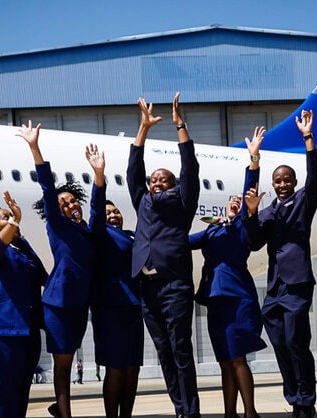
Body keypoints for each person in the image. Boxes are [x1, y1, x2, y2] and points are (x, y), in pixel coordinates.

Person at [243, 110, 317, 418]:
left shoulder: (304, 201)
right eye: (278, 181)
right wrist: (250, 211)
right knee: (279, 343)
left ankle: (306, 400)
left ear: (293, 182)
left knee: (296, 342)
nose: (283, 184)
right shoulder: (267, 212)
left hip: (298, 283)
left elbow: (315, 179)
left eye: (287, 179)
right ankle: (294, 398)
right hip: (275, 288)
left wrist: (307, 138)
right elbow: (253, 242)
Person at [128, 92, 201, 418]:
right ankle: (179, 410)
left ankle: (191, 412)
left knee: (180, 349)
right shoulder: (142, 201)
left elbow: (190, 168)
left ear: (173, 185)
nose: (157, 181)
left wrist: (179, 126)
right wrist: (143, 128)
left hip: (174, 286)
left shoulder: (183, 201)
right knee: (164, 352)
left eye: (164, 179)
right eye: (154, 179)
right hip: (148, 288)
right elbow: (134, 169)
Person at [18, 121, 96, 418]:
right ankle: (65, 414)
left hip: (79, 306)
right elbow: (48, 188)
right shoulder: (58, 226)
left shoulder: (87, 231)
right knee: (63, 364)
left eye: (73, 199)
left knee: (69, 360)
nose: (70, 204)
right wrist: (35, 147)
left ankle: (59, 406)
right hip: (58, 304)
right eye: (64, 203)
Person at [189, 127, 268, 418]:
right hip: (215, 300)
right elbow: (182, 242)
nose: (235, 202)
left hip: (238, 299)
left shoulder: (242, 226)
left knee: (237, 359)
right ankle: (230, 413)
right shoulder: (212, 230)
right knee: (225, 360)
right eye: (231, 201)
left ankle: (250, 412)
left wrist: (254, 159)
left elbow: (249, 195)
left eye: (239, 202)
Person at [87, 143, 143, 418]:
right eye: (109, 213)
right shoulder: (99, 234)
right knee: (116, 368)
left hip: (132, 310)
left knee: (133, 367)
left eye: (116, 212)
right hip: (110, 310)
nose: (114, 215)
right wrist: (100, 176)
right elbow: (97, 212)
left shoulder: (131, 235)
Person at [0, 190, 48, 418]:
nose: (10, 218)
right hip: (4, 328)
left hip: (28, 328)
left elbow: (42, 276)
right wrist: (15, 221)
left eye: (11, 215)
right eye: (4, 217)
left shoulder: (21, 248)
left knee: (22, 387)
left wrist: (22, 240)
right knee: (6, 387)